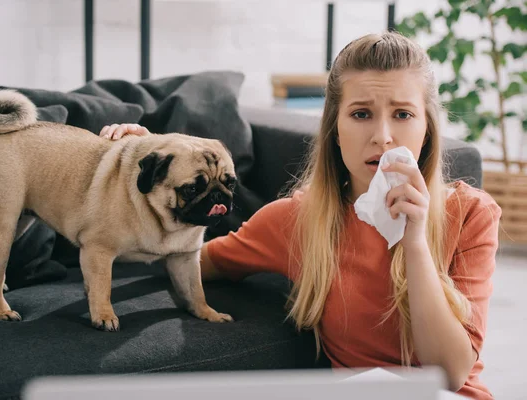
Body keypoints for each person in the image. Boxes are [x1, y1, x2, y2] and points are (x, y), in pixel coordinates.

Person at [99, 31, 501, 400]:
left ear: (428, 127)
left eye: (403, 114)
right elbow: (183, 258)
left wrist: (414, 241)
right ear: (335, 128)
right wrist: (145, 171)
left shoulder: (470, 214)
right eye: (361, 114)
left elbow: (449, 374)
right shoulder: (300, 219)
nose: (382, 135)